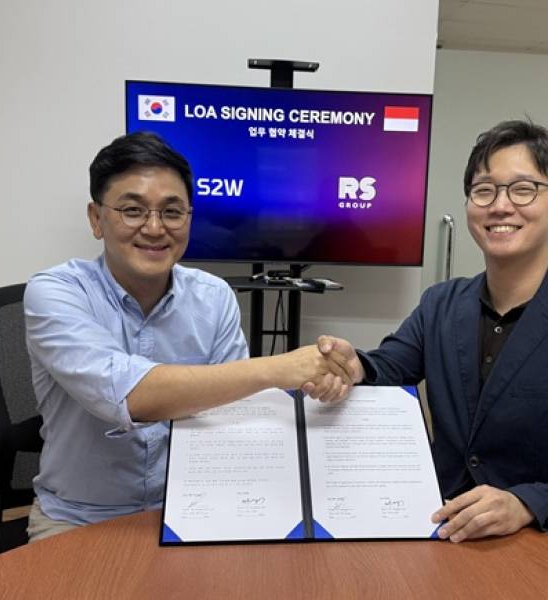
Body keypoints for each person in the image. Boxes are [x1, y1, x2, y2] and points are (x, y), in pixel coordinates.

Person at [308, 120, 548, 546]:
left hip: (542, 546)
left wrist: (527, 503)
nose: (500, 206)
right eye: (484, 190)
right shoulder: (440, 305)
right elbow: (387, 368)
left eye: (523, 189)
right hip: (439, 530)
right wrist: (355, 366)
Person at [24, 132, 351, 540]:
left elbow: (235, 410)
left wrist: (325, 380)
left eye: (172, 212)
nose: (154, 228)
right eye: (132, 210)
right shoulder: (56, 293)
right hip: (79, 517)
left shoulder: (214, 297)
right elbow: (128, 396)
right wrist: (279, 368)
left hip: (194, 511)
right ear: (96, 218)